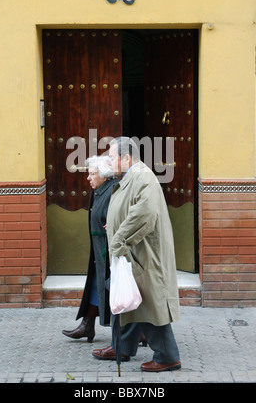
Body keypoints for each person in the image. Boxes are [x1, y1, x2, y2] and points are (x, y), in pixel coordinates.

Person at [92, 136, 181, 372]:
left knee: (150, 305)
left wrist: (119, 239)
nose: (109, 163)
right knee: (127, 299)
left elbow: (143, 214)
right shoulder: (129, 177)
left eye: (112, 158)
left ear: (126, 158)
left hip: (144, 254)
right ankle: (121, 346)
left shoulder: (143, 178)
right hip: (131, 253)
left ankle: (167, 357)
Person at [62, 155, 119, 342]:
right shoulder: (99, 191)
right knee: (96, 285)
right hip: (99, 249)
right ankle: (88, 325)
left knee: (116, 289)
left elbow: (119, 217)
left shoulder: (113, 190)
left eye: (92, 174)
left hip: (110, 250)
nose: (88, 177)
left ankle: (138, 331)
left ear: (103, 175)